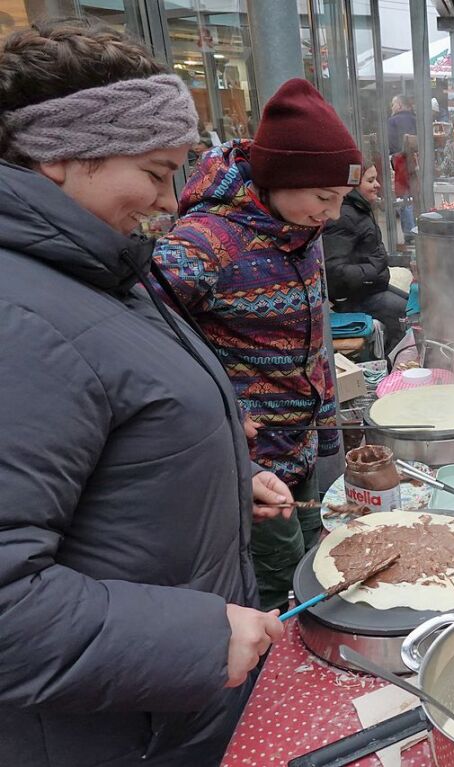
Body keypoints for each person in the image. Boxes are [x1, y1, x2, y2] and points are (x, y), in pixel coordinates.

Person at [0, 20, 287, 765]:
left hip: (165, 710)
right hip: (112, 732)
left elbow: (112, 432)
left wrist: (216, 476)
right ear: (62, 153)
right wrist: (198, 638)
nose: (169, 202)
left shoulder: (89, 264)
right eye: (156, 172)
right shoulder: (20, 314)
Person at [153, 78, 362, 612]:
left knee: (321, 563)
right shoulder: (206, 242)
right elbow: (141, 335)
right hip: (253, 465)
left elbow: (315, 345)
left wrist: (329, 434)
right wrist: (222, 418)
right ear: (281, 177)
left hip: (306, 446)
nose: (333, 215)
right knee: (281, 586)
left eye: (340, 200)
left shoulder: (302, 232)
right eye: (324, 198)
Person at [323, 161, 408, 351]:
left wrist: (402, 260)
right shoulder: (343, 216)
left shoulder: (359, 209)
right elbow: (333, 271)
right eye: (370, 180)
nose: (377, 185)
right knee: (406, 314)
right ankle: (398, 371)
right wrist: (374, 269)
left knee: (412, 305)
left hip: (370, 289)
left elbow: (370, 251)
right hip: (353, 299)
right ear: (352, 186)